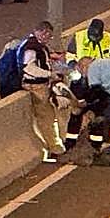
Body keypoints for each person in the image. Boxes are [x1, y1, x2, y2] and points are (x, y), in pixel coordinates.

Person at [63, 19, 110, 152]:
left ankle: (96, 145)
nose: (94, 38)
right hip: (81, 81)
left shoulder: (109, 39)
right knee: (76, 113)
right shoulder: (78, 37)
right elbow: (69, 56)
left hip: (100, 82)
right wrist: (75, 66)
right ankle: (70, 142)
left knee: (99, 114)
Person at [18, 21, 68, 162]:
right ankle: (55, 148)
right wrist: (49, 74)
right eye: (49, 35)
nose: (49, 38)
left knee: (49, 117)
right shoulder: (31, 49)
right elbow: (29, 68)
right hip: (36, 87)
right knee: (47, 118)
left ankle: (55, 146)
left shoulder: (37, 46)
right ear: (43, 32)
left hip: (40, 85)